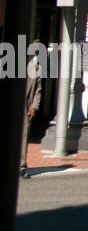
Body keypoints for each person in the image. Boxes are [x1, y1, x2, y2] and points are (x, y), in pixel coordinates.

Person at [20, 48, 42, 179]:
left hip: (26, 107)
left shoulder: (36, 68)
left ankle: (21, 166)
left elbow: (38, 90)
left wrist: (34, 106)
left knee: (23, 137)